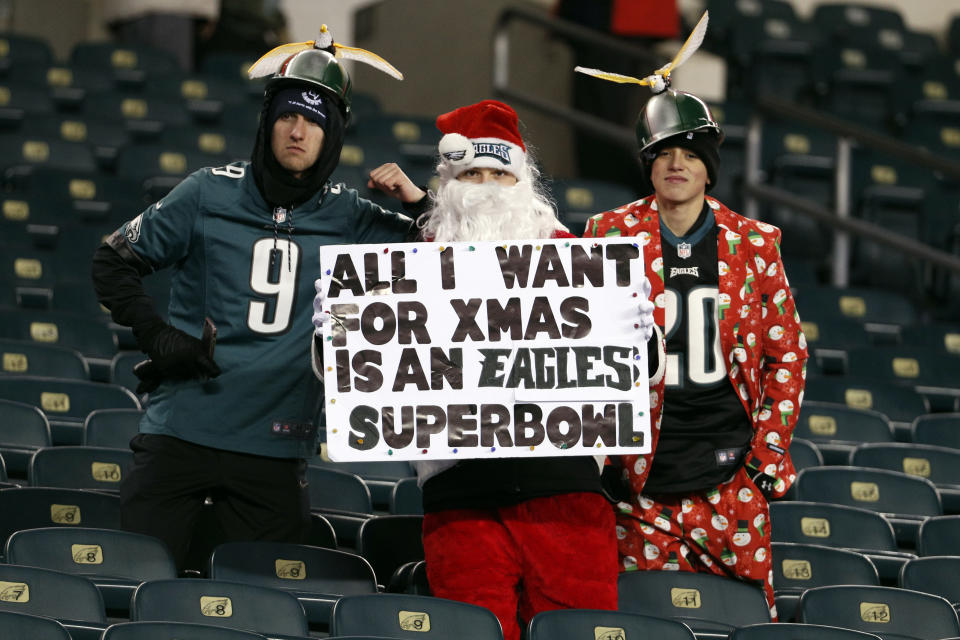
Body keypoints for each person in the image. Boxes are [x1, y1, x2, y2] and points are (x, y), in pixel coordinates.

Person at [313, 99, 663, 640]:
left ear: (521, 182)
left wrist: (643, 335)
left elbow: (638, 370)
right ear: (448, 183)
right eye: (472, 173)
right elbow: (359, 373)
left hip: (566, 493)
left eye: (500, 173)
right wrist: (334, 330)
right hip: (462, 498)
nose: (485, 187)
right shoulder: (412, 263)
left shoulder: (573, 256)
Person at [91, 42, 426, 571]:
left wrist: (420, 202)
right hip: (181, 434)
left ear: (333, 134)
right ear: (267, 122)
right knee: (133, 583)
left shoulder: (349, 216)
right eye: (287, 116)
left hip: (276, 451)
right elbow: (112, 261)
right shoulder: (205, 192)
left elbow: (456, 263)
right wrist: (156, 334)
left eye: (313, 122)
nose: (297, 132)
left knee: (259, 612)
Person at [581, 88, 808, 619]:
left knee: (741, 625)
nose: (675, 162)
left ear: (710, 167)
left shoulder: (755, 244)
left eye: (689, 151)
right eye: (662, 151)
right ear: (647, 164)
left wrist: (763, 462)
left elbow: (788, 356)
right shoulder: (606, 234)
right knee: (639, 625)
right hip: (637, 489)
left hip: (732, 485)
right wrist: (606, 462)